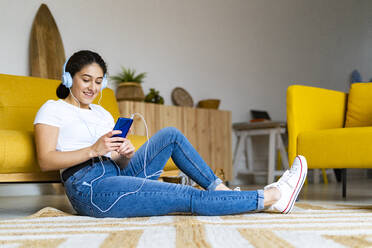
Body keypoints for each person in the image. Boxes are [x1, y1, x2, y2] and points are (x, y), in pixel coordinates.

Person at [33, 50, 307, 218]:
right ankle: (271, 197)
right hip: (90, 189)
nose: (92, 87)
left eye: (98, 81)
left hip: (115, 176)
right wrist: (94, 150)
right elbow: (46, 160)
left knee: (171, 135)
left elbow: (116, 161)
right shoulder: (52, 109)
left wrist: (123, 154)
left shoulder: (101, 113)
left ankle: (219, 189)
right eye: (85, 79)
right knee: (183, 195)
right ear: (69, 78)